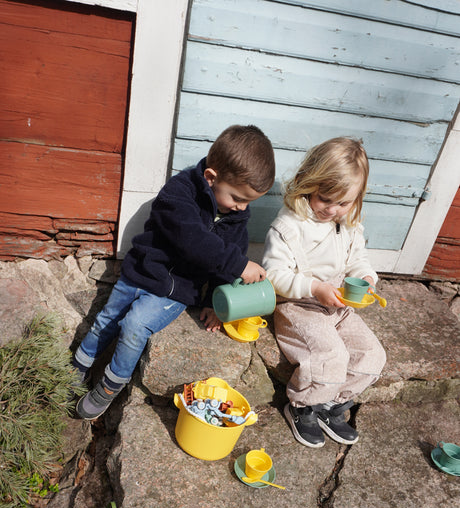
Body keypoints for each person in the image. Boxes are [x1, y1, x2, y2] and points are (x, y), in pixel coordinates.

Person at [73, 124, 276, 420]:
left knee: (133, 326)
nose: (242, 207)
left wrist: (214, 304)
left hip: (175, 289)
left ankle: (109, 386)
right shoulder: (179, 192)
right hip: (141, 271)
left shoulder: (236, 218)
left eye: (248, 202)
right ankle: (78, 366)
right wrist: (238, 265)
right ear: (211, 178)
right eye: (236, 197)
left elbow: (229, 257)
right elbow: (192, 240)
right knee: (107, 318)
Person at [262, 137, 386, 447]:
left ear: (356, 198)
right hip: (298, 306)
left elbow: (358, 260)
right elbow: (275, 275)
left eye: (343, 203)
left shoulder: (349, 223)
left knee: (372, 355)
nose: (331, 210)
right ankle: (303, 406)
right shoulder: (289, 226)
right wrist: (315, 287)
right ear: (307, 183)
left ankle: (330, 404)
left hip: (338, 306)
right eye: (324, 199)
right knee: (330, 354)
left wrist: (366, 278)